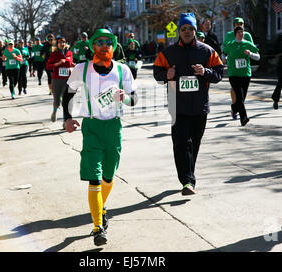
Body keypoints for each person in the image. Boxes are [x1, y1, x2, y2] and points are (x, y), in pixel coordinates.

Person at [61, 28, 137, 246]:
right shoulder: (81, 69)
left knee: (109, 175)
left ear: (114, 46)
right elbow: (68, 94)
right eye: (100, 42)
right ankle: (97, 227)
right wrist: (67, 118)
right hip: (92, 126)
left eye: (109, 42)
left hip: (114, 127)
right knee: (94, 175)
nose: (105, 45)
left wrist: (125, 98)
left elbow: (135, 99)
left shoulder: (122, 70)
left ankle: (101, 206)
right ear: (93, 46)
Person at [153, 13, 224, 195]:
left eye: (190, 29)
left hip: (200, 107)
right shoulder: (168, 52)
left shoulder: (207, 51)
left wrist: (205, 72)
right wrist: (165, 75)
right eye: (183, 29)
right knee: (181, 144)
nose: (187, 32)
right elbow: (157, 72)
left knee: (194, 144)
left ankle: (189, 176)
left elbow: (219, 74)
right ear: (179, 31)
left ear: (195, 30)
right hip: (178, 107)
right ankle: (187, 181)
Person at [223, 26, 260, 126]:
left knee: (241, 98)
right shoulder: (230, 45)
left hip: (245, 74)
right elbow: (224, 53)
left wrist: (250, 54)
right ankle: (244, 118)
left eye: (242, 32)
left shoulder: (247, 44)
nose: (241, 34)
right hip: (233, 74)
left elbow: (258, 57)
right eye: (239, 32)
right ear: (235, 34)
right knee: (239, 96)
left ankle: (234, 108)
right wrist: (225, 59)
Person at [46, 36, 74, 126]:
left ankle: (65, 122)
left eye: (63, 42)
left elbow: (69, 63)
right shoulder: (54, 54)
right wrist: (58, 63)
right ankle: (54, 111)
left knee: (65, 100)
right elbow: (48, 66)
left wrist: (71, 64)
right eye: (60, 42)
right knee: (57, 100)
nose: (62, 44)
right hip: (57, 79)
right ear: (57, 44)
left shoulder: (69, 52)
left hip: (67, 79)